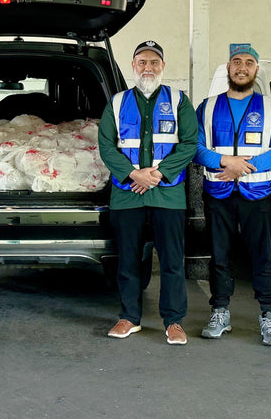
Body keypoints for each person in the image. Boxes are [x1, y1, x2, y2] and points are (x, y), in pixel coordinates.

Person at [97, 40, 198, 345]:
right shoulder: (116, 103)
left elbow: (189, 143)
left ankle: (174, 321)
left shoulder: (179, 101)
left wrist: (156, 175)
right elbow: (106, 144)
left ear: (163, 67)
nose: (148, 67)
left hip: (167, 195)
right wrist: (133, 174)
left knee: (171, 260)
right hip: (127, 194)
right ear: (133, 66)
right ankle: (129, 317)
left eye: (154, 62)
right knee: (128, 259)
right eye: (142, 62)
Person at [195, 43, 271, 346]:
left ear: (256, 69)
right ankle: (220, 311)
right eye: (236, 62)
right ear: (228, 67)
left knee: (264, 257)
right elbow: (196, 149)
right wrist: (226, 163)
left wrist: (242, 167)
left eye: (249, 62)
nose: (242, 67)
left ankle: (269, 315)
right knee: (220, 256)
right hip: (218, 193)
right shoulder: (207, 107)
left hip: (258, 193)